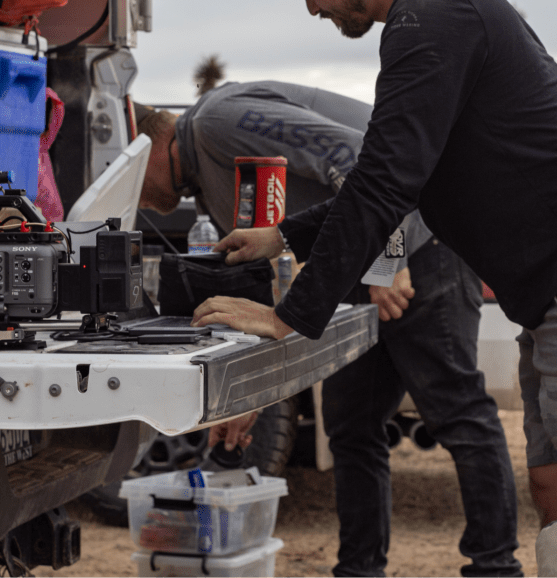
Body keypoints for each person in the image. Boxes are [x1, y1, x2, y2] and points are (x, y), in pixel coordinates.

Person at [190, 0, 557, 536]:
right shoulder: (440, 5)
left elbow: (386, 182)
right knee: (556, 487)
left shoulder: (432, 15)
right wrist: (284, 238)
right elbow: (402, 173)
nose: (311, 8)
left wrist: (289, 317)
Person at [134, 82, 523, 578]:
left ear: (145, 144)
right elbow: (262, 292)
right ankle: (359, 570)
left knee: (457, 410)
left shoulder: (215, 122)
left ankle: (495, 568)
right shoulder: (209, 181)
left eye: (125, 171)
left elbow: (360, 158)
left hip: (423, 242)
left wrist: (387, 262)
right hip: (357, 265)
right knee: (352, 425)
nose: (134, 191)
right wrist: (250, 397)